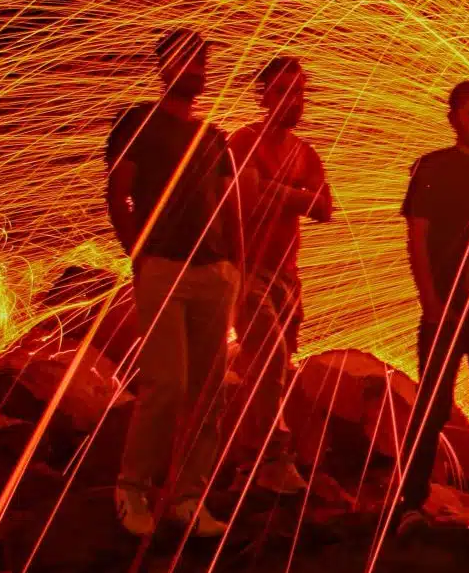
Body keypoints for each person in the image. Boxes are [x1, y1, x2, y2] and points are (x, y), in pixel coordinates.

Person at [104, 31, 241, 538]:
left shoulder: (213, 136)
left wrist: (236, 268)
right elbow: (119, 194)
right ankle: (131, 487)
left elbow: (228, 208)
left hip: (215, 273)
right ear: (163, 66)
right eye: (186, 59)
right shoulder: (137, 122)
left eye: (202, 59)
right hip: (163, 266)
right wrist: (139, 256)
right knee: (168, 384)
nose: (196, 68)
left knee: (210, 392)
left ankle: (187, 498)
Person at [397, 80, 469, 522]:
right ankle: (410, 500)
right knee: (433, 403)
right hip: (444, 307)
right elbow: (418, 238)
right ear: (455, 118)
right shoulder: (432, 169)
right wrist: (431, 301)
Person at [226, 56, 335, 494]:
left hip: (288, 276)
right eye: (283, 90)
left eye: (299, 91)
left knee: (275, 371)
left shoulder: (305, 152)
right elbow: (247, 200)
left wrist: (276, 192)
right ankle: (274, 456)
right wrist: (297, 195)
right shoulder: (244, 141)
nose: (293, 100)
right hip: (246, 272)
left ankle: (246, 463)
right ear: (263, 95)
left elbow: (325, 208)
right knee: (269, 361)